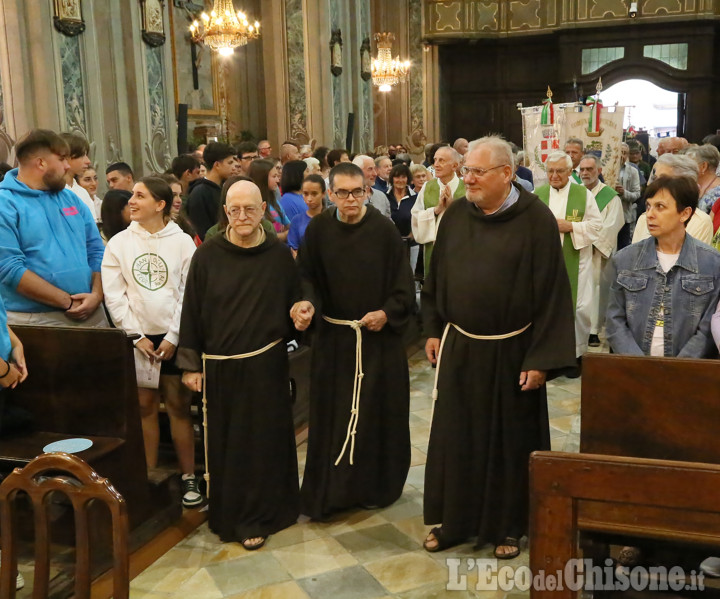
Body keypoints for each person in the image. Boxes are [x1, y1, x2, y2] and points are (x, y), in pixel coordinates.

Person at [421, 136, 575, 557]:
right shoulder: (455, 216)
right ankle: (455, 521)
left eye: (475, 171)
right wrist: (433, 328)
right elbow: (435, 278)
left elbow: (552, 296)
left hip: (513, 352)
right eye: (465, 169)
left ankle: (508, 526)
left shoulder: (536, 221)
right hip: (463, 349)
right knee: (458, 438)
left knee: (508, 442)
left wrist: (541, 359)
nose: (465, 178)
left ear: (506, 174)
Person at [178, 179, 301, 549]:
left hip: (267, 366)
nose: (243, 216)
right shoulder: (208, 255)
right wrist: (190, 364)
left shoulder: (279, 257)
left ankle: (273, 511)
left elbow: (296, 302)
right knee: (233, 447)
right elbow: (192, 312)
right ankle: (239, 516)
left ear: (264, 209)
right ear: (225, 213)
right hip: (221, 370)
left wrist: (303, 311)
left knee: (266, 442)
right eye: (235, 210)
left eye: (250, 209)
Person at [294, 162, 415, 520]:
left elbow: (403, 285)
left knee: (375, 415)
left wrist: (387, 312)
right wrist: (306, 305)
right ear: (330, 195)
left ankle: (374, 488)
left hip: (377, 343)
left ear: (367, 191)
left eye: (357, 192)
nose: (350, 199)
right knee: (334, 416)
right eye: (342, 193)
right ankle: (333, 491)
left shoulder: (384, 231)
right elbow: (306, 279)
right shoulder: (317, 232)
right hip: (334, 341)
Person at [101, 176, 201, 508]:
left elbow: (189, 293)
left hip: (174, 336)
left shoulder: (183, 242)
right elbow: (115, 297)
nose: (131, 200)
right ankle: (148, 476)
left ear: (159, 205)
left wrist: (174, 336)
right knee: (144, 407)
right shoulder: (118, 244)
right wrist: (135, 336)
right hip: (137, 338)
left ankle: (189, 477)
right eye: (132, 195)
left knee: (178, 407)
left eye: (140, 196)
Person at [0, 129, 107, 327]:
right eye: (62, 159)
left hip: (92, 310)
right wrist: (66, 301)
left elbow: (96, 250)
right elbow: (8, 268)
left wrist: (97, 294)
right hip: (35, 319)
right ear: (41, 163)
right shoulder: (5, 204)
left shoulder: (71, 198)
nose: (68, 166)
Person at [606, 176, 720, 358]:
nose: (649, 214)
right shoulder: (625, 259)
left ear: (684, 213)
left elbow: (708, 327)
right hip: (634, 371)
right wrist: (640, 365)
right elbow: (614, 321)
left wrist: (676, 370)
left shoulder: (711, 263)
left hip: (689, 374)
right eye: (649, 206)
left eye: (660, 207)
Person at [535, 151, 602, 359]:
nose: (554, 175)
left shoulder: (583, 194)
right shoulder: (538, 195)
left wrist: (571, 226)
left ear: (570, 171)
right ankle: (549, 352)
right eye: (551, 171)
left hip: (576, 260)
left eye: (560, 171)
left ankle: (575, 354)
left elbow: (596, 226)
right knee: (545, 306)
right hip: (544, 262)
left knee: (579, 307)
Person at [577, 155, 624, 347]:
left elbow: (612, 225)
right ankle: (577, 327)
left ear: (599, 171)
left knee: (596, 289)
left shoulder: (610, 197)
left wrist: (586, 239)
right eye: (582, 169)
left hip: (596, 253)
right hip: (576, 249)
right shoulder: (575, 193)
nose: (585, 173)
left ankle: (594, 331)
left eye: (590, 169)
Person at [633, 154, 714, 244]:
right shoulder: (644, 217)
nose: (651, 184)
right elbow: (634, 255)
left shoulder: (700, 222)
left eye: (663, 179)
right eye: (654, 178)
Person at [411, 146, 465, 277]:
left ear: (455, 165)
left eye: (442, 160)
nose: (436, 165)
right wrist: (436, 210)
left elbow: (475, 220)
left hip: (460, 250)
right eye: (435, 160)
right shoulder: (427, 187)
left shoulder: (466, 188)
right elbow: (415, 217)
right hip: (433, 249)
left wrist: (453, 207)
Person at [187, 142, 236, 240]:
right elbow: (202, 231)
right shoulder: (200, 193)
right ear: (217, 165)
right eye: (230, 163)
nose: (234, 166)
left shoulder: (225, 188)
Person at [386, 163, 418, 272]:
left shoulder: (416, 198)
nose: (400, 180)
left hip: (412, 246)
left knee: (410, 276)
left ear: (408, 179)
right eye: (397, 177)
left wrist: (413, 233)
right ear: (392, 178)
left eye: (403, 177)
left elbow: (419, 218)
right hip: (389, 245)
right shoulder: (384, 197)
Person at [249, 158, 290, 242]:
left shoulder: (274, 201)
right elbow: (262, 237)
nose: (278, 180)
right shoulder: (253, 206)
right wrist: (284, 235)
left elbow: (288, 224)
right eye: (274, 176)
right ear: (262, 178)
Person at [60, 132, 98, 221]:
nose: (88, 161)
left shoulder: (82, 192)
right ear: (66, 157)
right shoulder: (51, 192)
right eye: (82, 156)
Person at [288, 174, 324, 257]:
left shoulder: (331, 217)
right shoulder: (297, 221)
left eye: (314, 194)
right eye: (305, 194)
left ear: (323, 194)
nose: (309, 199)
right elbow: (293, 249)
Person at [616, 143, 643, 250]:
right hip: (607, 216)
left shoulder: (633, 171)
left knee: (623, 248)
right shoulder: (605, 169)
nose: (622, 156)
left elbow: (637, 194)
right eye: (619, 152)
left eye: (625, 153)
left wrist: (624, 193)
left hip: (625, 217)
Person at [684, 144, 720, 220]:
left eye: (689, 164)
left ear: (703, 166)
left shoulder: (717, 193)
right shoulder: (693, 186)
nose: (684, 168)